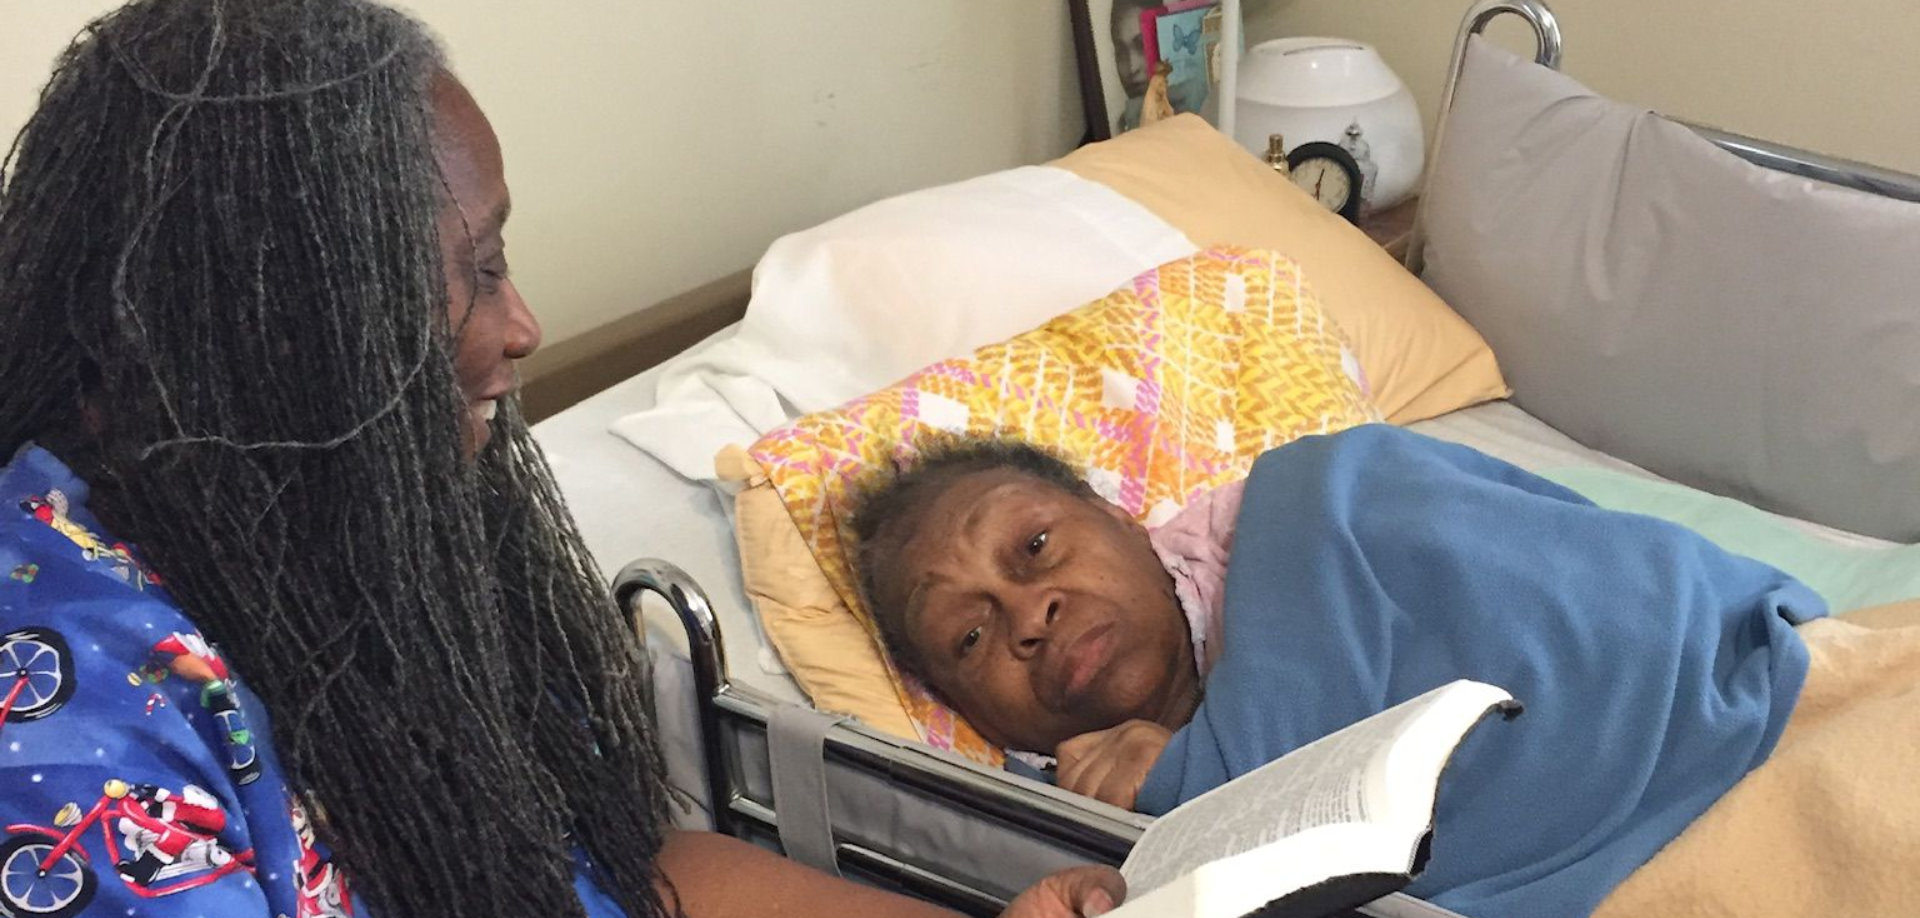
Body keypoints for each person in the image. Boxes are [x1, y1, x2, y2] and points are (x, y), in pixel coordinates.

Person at [0, 2, 1122, 916]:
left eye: (502, 255)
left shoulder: (374, 513)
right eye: (473, 271)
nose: (522, 325)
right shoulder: (69, 734)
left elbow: (617, 874)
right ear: (271, 325)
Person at [852, 431, 1828, 918]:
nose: (1029, 616)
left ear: (1116, 516)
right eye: (970, 641)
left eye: (1033, 547)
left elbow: (1577, 598)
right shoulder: (1062, 826)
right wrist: (1185, 794)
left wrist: (1216, 770)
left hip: (1764, 702)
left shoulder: (1315, 504)